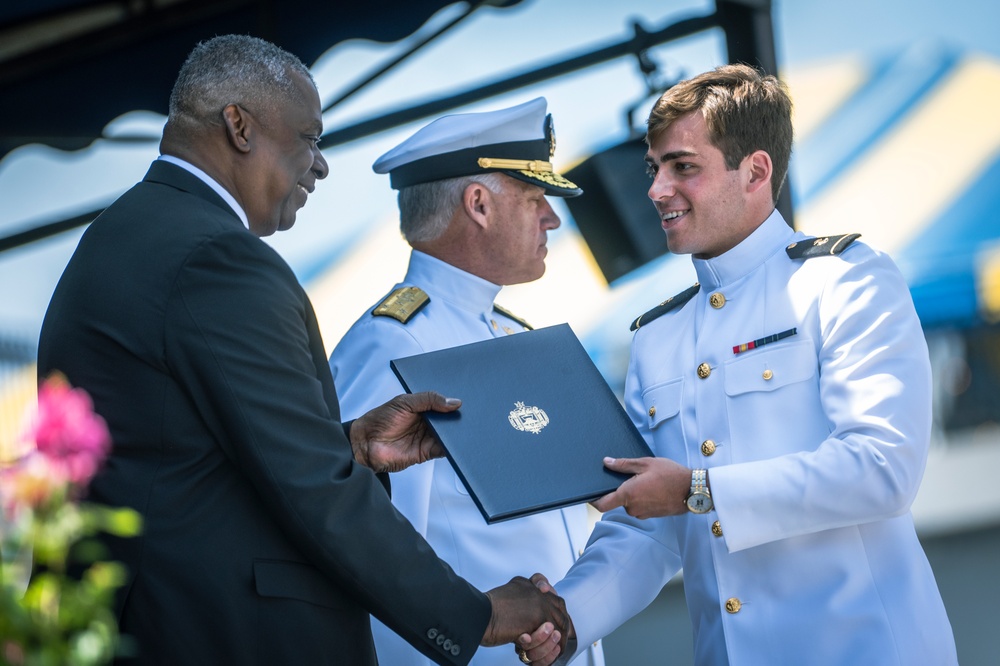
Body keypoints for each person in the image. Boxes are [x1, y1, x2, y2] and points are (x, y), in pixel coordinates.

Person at [35, 34, 571, 666]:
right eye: (310, 139)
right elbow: (314, 489)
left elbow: (189, 454)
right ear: (239, 126)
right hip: (219, 635)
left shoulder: (133, 233)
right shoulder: (218, 259)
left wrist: (351, 446)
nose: (319, 166)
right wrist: (475, 615)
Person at [522, 63, 959, 665]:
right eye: (655, 169)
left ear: (756, 170)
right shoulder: (656, 337)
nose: (655, 190)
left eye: (683, 166)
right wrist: (566, 620)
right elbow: (644, 526)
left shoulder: (845, 280)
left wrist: (699, 491)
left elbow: (882, 467)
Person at [330, 98, 604, 666]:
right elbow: (372, 555)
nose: (551, 218)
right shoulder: (393, 344)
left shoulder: (509, 332)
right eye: (534, 199)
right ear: (477, 204)